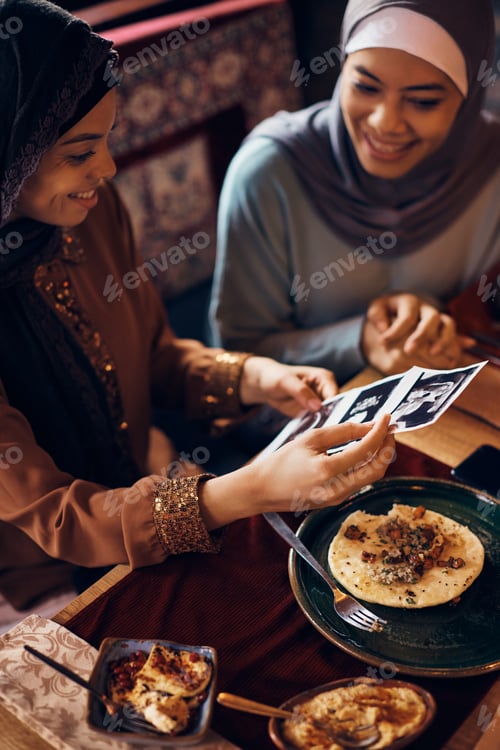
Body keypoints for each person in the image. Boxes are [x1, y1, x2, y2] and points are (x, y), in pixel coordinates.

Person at [0, 0, 394, 616]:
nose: (105, 169)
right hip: (35, 575)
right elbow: (55, 516)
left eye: (105, 142)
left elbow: (154, 354)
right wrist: (246, 491)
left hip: (140, 486)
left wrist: (255, 377)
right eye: (79, 154)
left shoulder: (89, 215)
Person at [209, 0, 500, 385]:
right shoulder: (270, 174)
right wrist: (355, 341)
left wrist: (434, 319)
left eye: (423, 101)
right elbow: (231, 362)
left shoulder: (491, 166)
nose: (385, 122)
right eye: (365, 86)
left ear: (468, 100)